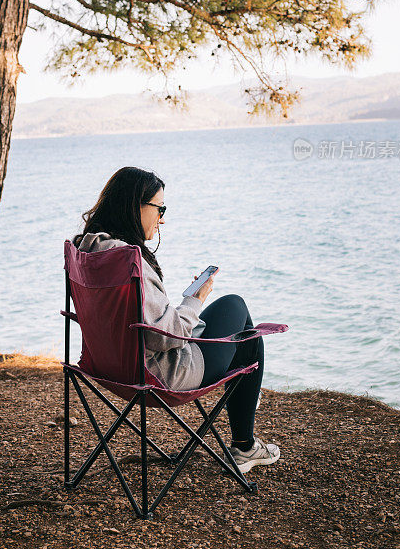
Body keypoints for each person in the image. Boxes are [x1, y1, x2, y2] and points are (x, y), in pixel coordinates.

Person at [73, 166, 280, 472]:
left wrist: (186, 308)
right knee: (238, 312)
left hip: (109, 367)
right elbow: (164, 338)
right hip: (161, 374)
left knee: (235, 327)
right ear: (136, 206)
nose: (162, 219)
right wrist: (194, 300)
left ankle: (248, 394)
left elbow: (144, 322)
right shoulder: (128, 261)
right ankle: (245, 437)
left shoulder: (88, 251)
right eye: (160, 208)